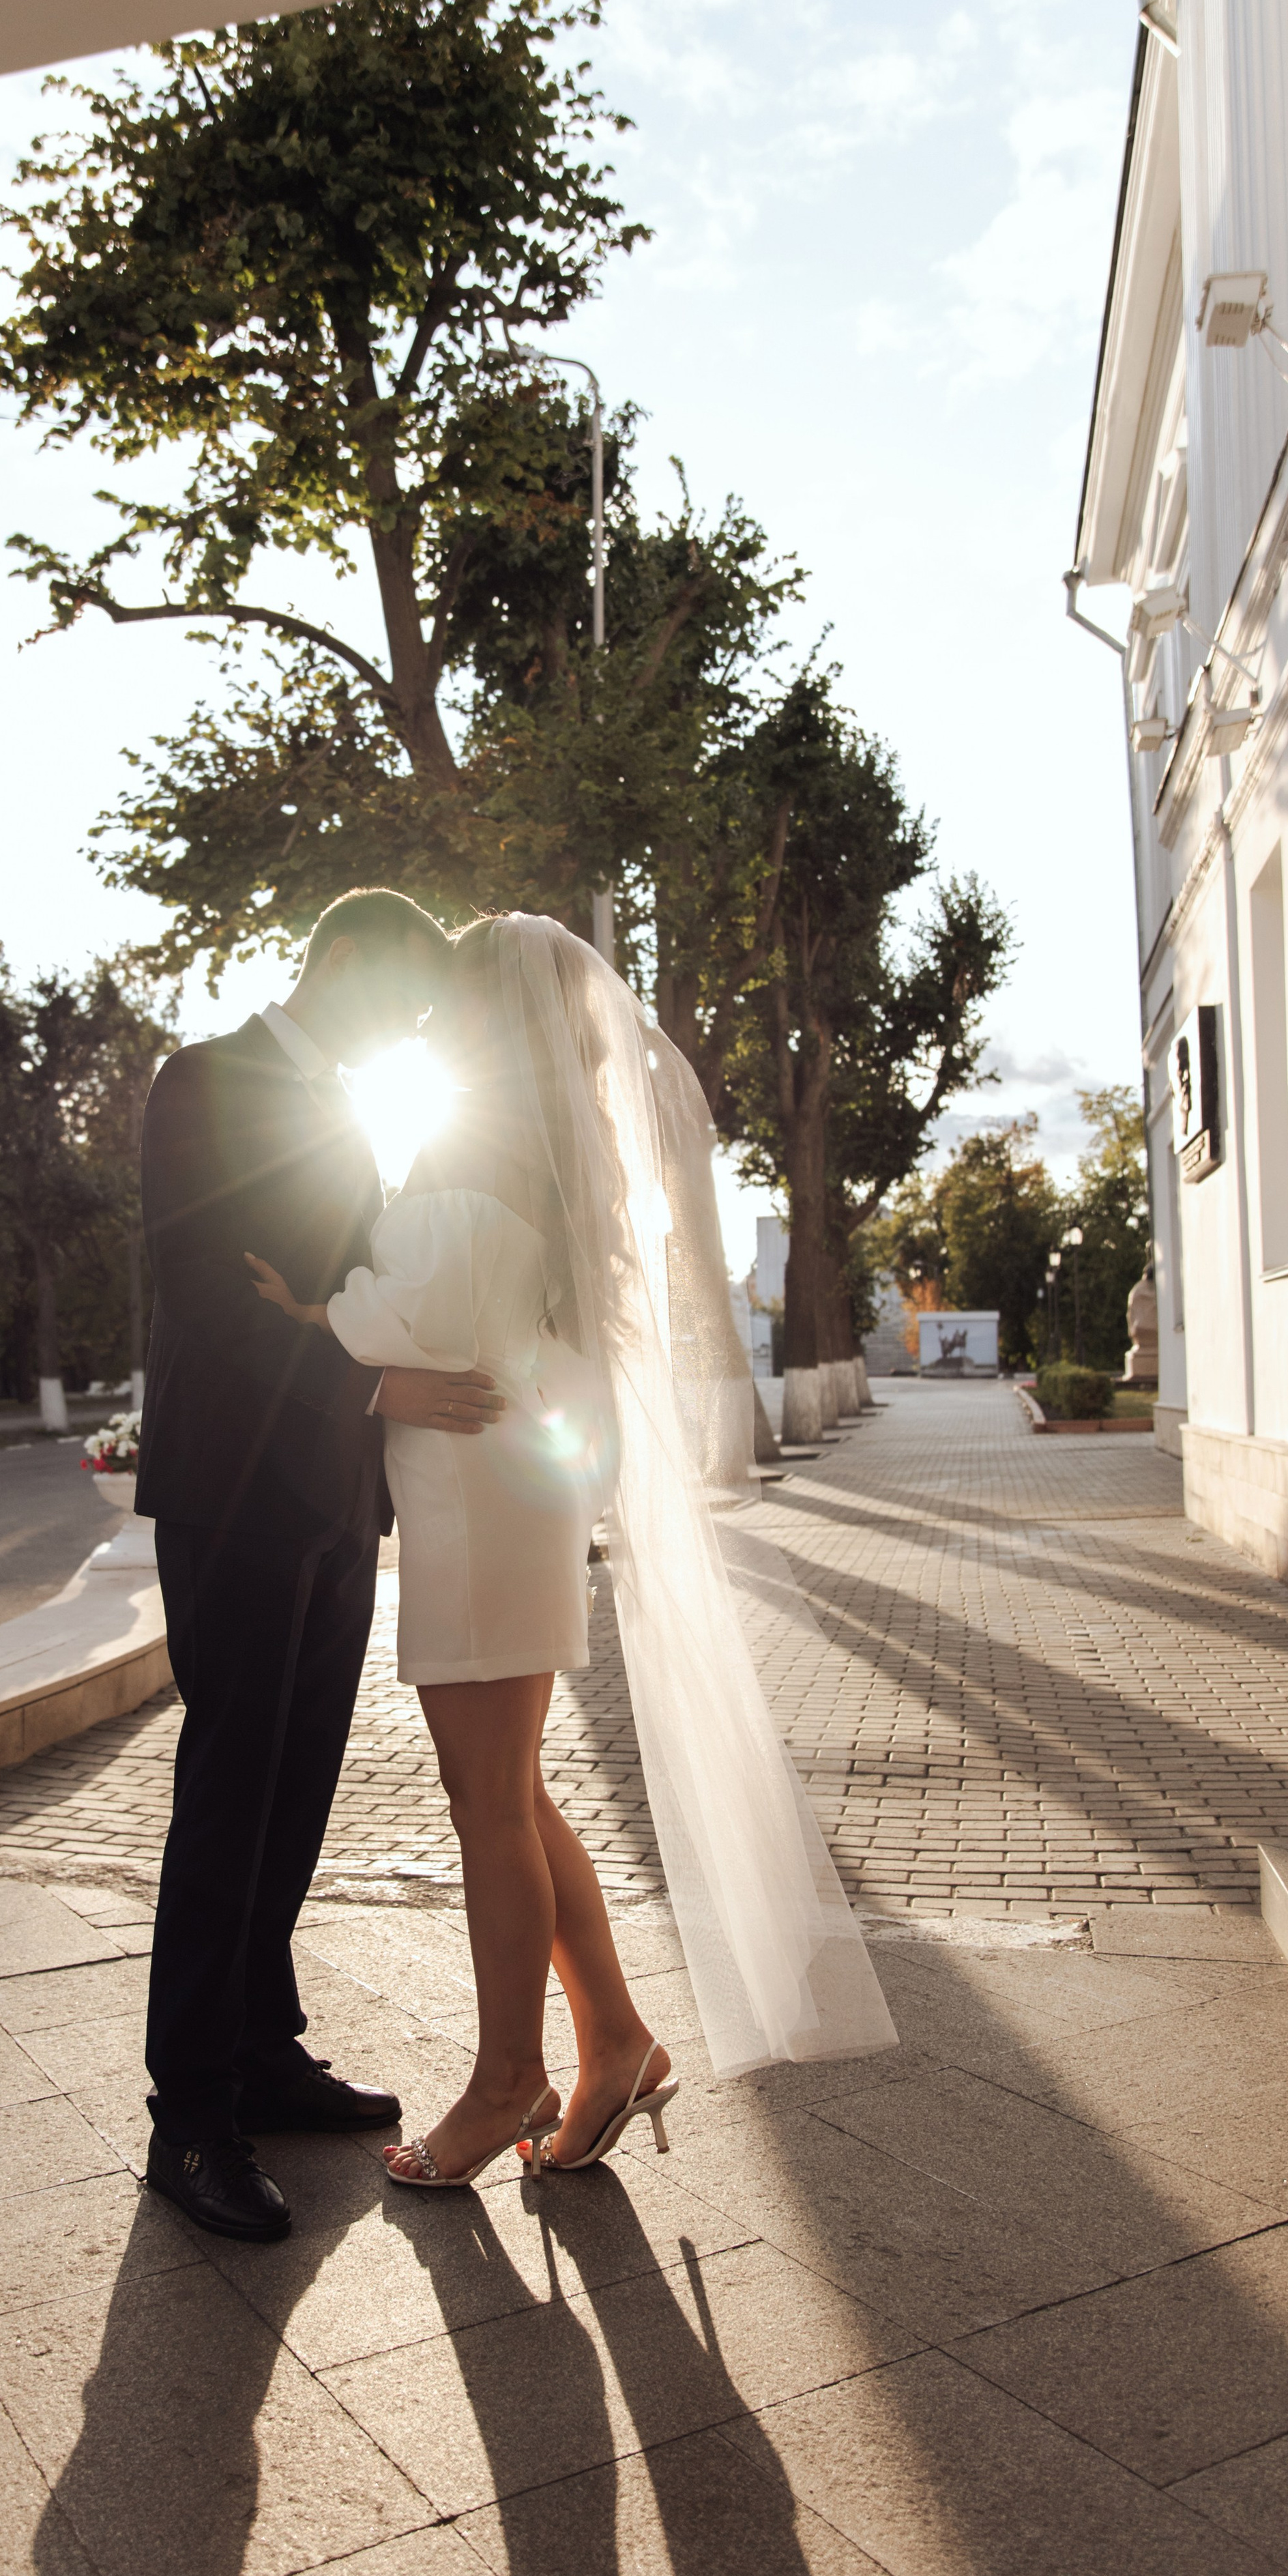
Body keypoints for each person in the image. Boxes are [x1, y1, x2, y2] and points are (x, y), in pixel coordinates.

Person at [248, 912, 898, 2193]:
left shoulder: (473, 1147)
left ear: (493, 1013)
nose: (434, 1017)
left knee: (487, 1801)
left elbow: (416, 1311)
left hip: (475, 1503)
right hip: (503, 1496)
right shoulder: (544, 1150)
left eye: (456, 996)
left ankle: (507, 2081)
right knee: (516, 1794)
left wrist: (315, 1310)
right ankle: (614, 2040)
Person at [135, 887, 508, 2244]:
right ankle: (189, 2117)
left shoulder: (353, 1119)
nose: (404, 1028)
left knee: (297, 1787)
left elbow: (341, 1296)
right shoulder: (202, 1082)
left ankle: (264, 2050)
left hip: (335, 1504)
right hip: (231, 1494)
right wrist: (375, 1388)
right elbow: (208, 1301)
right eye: (396, 1000)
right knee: (230, 1785)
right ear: (339, 959)